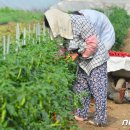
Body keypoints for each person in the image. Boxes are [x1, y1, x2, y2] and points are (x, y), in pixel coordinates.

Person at [44, 8, 109, 126]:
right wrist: (55, 57)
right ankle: (81, 114)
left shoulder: (80, 22)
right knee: (80, 87)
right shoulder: (63, 28)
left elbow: (93, 44)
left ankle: (100, 119)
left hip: (96, 59)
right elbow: (63, 47)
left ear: (58, 20)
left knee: (98, 89)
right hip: (82, 61)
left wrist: (77, 53)